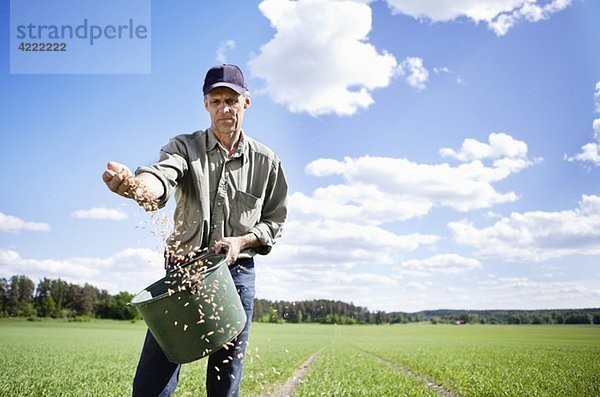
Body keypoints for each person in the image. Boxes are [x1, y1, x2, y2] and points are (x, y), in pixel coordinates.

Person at [102, 64, 288, 397]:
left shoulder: (267, 161)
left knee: (227, 372)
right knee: (155, 372)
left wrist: (242, 241)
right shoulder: (185, 147)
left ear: (247, 101)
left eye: (231, 99)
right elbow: (160, 177)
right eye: (216, 100)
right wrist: (136, 186)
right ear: (205, 105)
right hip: (183, 270)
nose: (224, 108)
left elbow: (275, 220)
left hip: (236, 274)